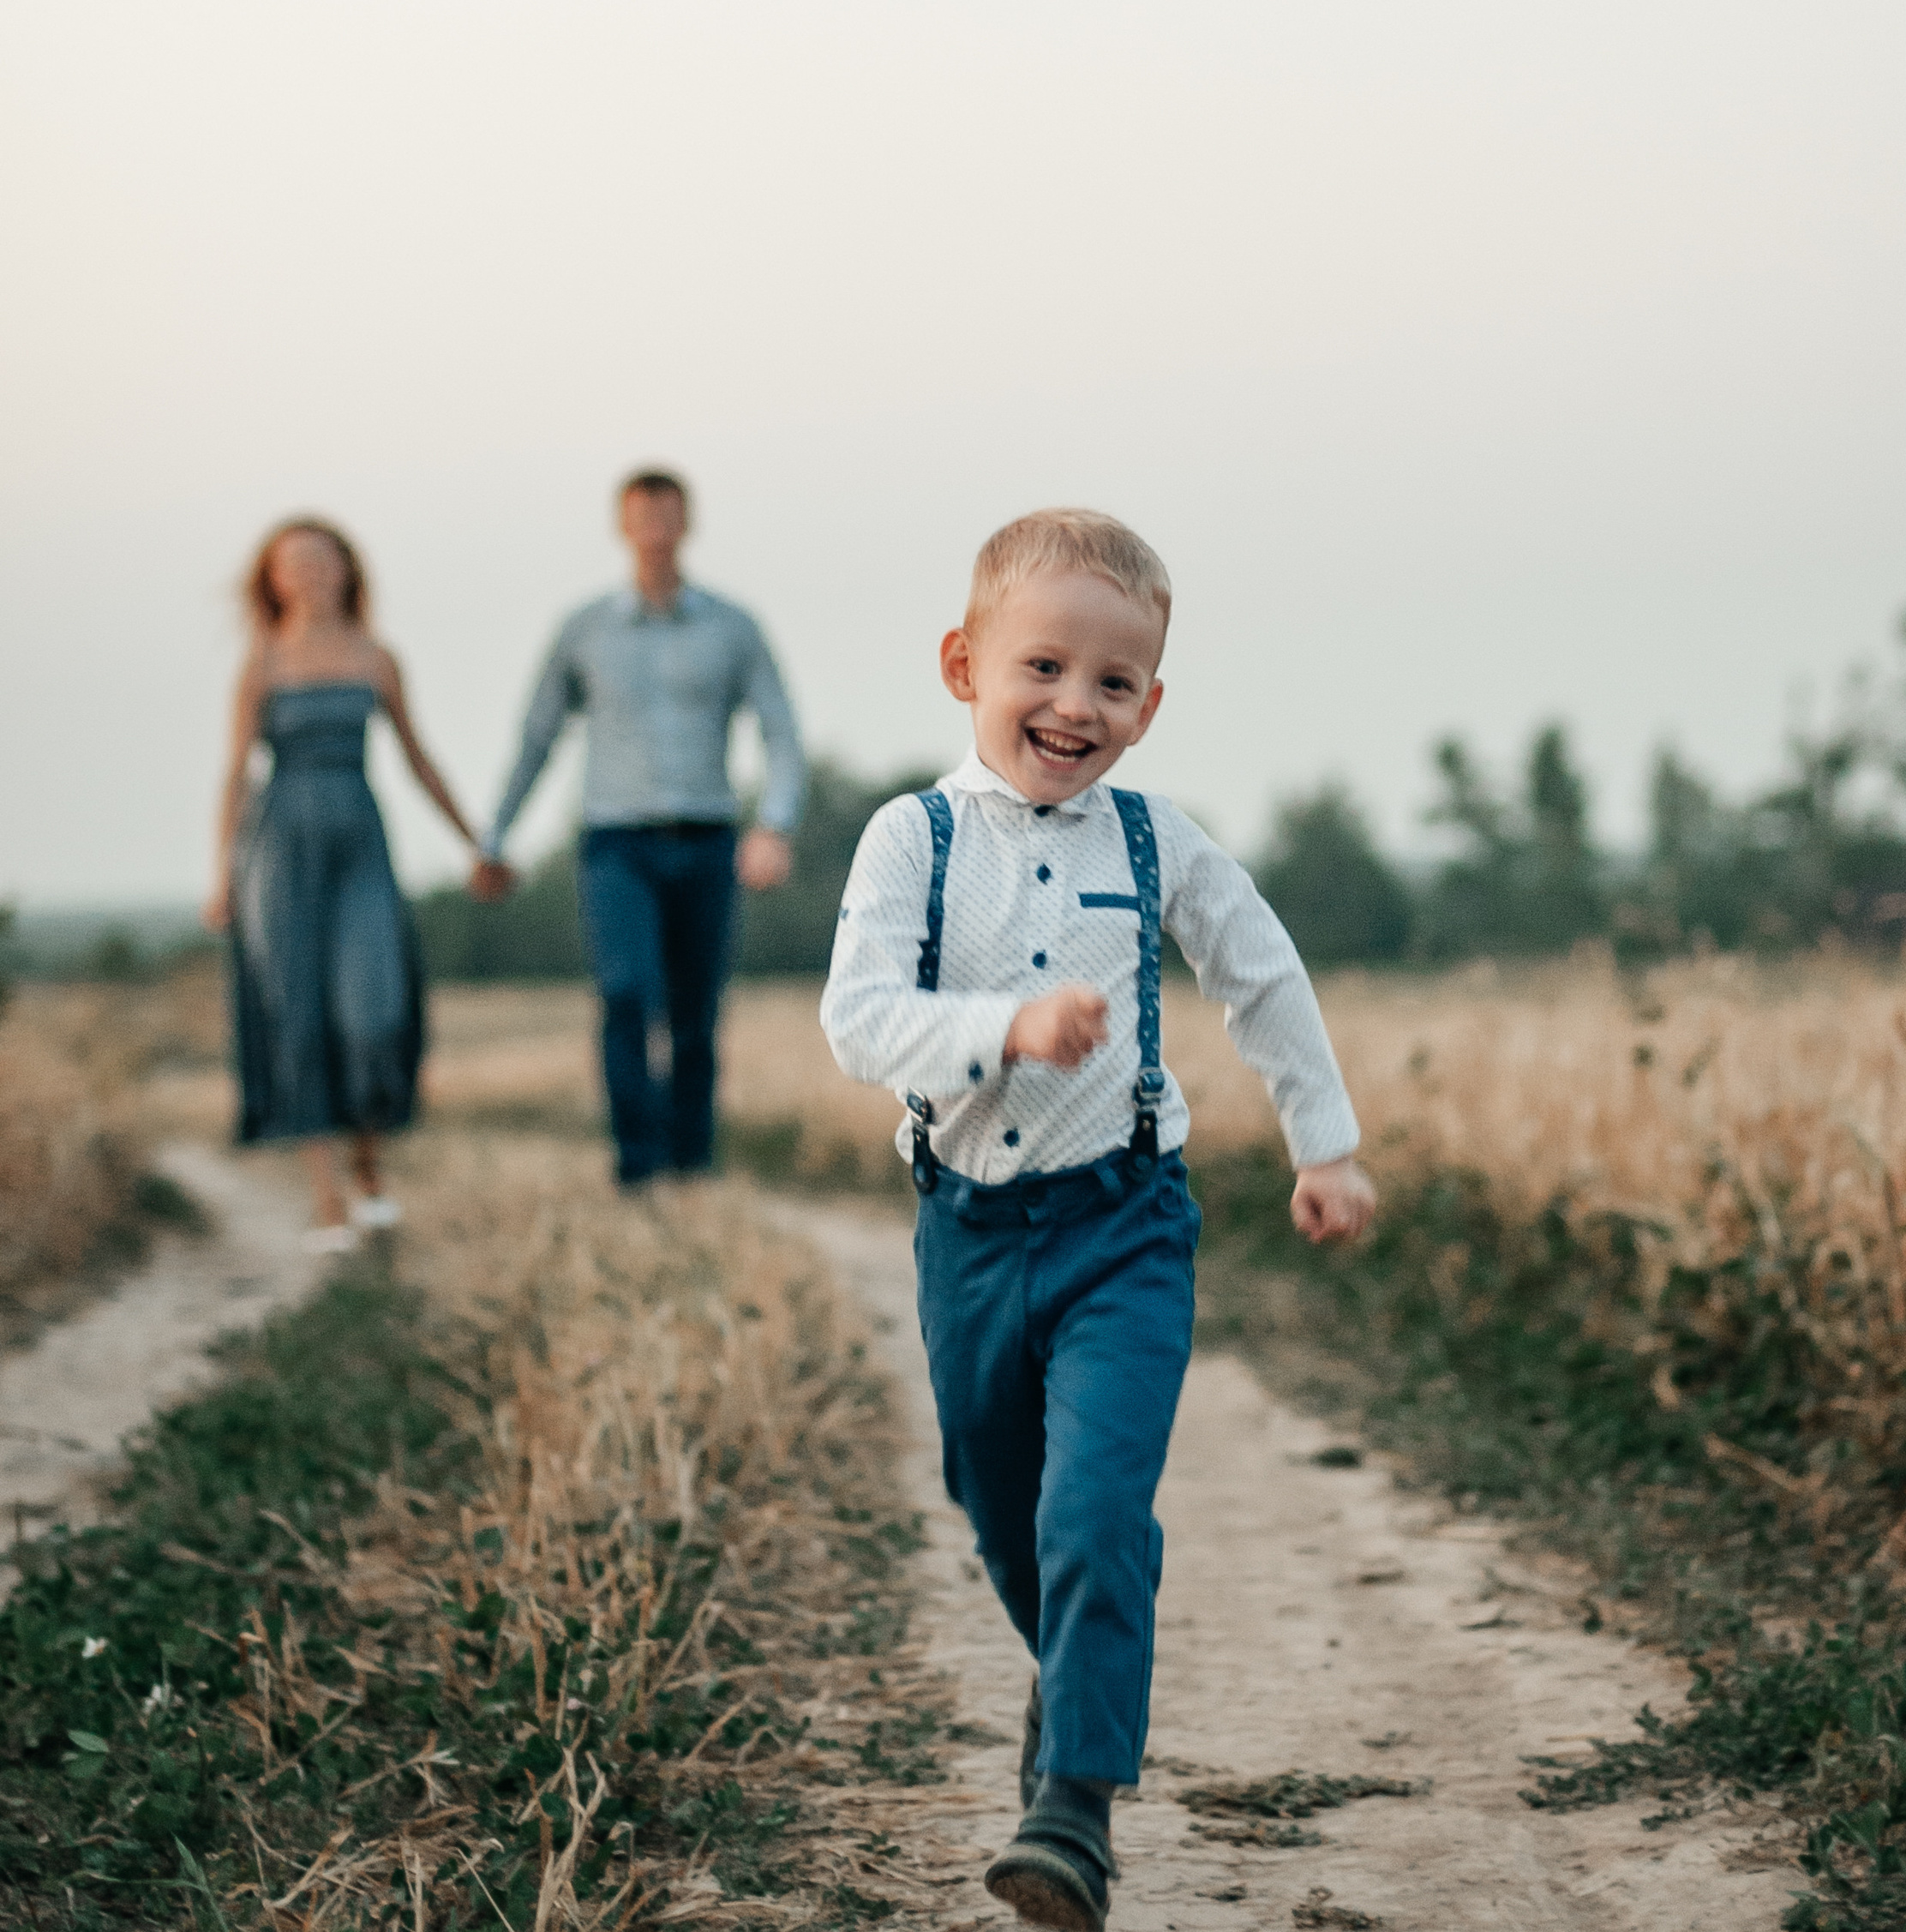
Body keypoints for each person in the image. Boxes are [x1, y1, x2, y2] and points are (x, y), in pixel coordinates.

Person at [820, 507, 1376, 1930]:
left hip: (1125, 1227)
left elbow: (1262, 973)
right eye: (1044, 666)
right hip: (968, 1236)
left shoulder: (1156, 838)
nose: (1076, 704)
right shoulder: (911, 838)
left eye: (1113, 681)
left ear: (1150, 705)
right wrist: (1003, 1026)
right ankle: (1074, 1670)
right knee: (1000, 1507)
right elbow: (858, 1018)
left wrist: (1324, 1144)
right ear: (964, 665)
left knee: (1094, 1506)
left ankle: (1073, 1805)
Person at [471, 467, 805, 1188]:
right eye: (642, 516)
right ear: (622, 527)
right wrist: (494, 836)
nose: (655, 530)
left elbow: (781, 733)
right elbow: (537, 737)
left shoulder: (733, 627)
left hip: (708, 835)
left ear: (687, 524)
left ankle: (692, 1165)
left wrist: (774, 825)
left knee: (695, 1012)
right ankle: (638, 1167)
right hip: (615, 841)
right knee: (626, 993)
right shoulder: (584, 629)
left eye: (667, 516)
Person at [205, 518, 485, 1250]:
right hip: (281, 847)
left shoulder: (376, 657)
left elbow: (419, 759)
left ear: (346, 570)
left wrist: (474, 843)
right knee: (297, 1013)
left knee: (373, 1004)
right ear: (273, 580)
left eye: (321, 560)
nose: (309, 574)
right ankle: (327, 1200)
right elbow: (235, 773)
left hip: (360, 841)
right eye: (293, 563)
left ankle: (370, 1168)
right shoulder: (262, 663)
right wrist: (222, 875)